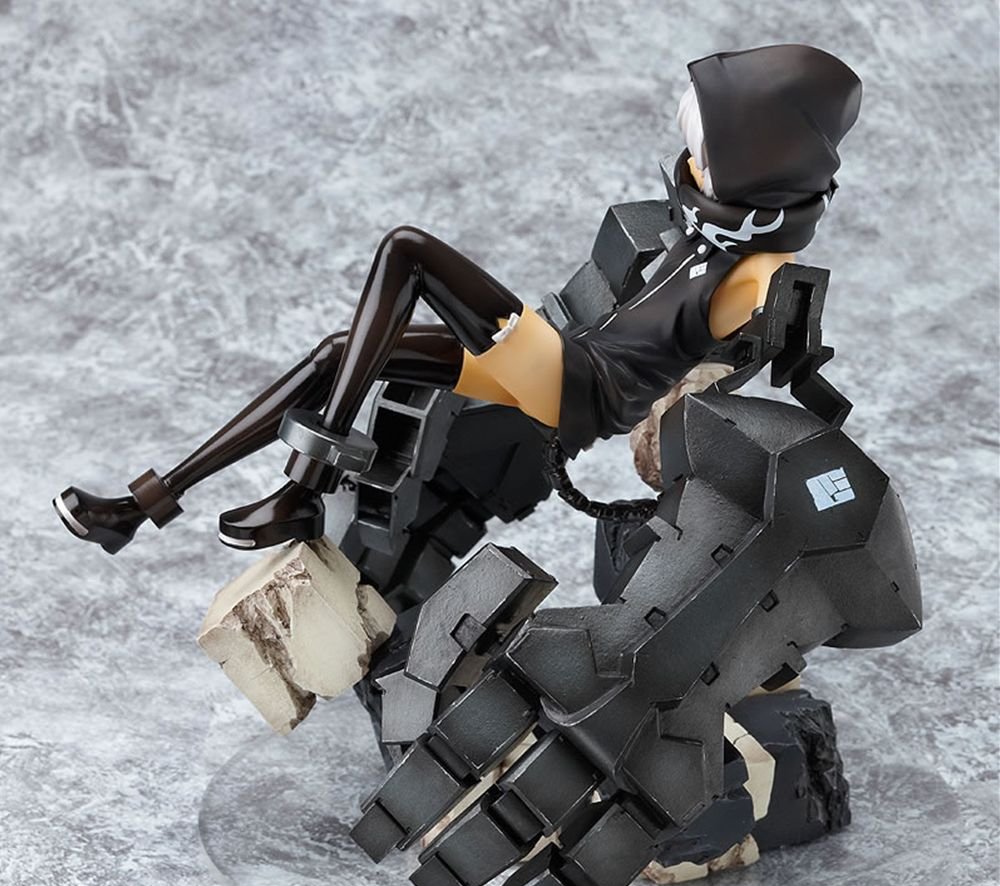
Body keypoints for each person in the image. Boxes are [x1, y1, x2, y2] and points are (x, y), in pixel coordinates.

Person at [54, 43, 862, 554]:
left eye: (716, 151)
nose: (695, 160)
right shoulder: (710, 230)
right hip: (560, 361)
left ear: (766, 166)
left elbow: (744, 360)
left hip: (577, 386)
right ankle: (141, 508)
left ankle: (299, 492)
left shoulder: (753, 273)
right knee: (339, 355)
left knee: (408, 252)